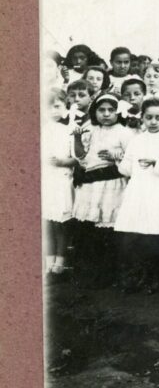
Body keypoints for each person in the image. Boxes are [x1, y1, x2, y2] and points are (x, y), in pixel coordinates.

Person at [113, 97, 159, 294]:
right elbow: (127, 169)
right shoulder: (136, 140)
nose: (153, 122)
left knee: (155, 237)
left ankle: (154, 279)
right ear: (142, 117)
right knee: (135, 236)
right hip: (139, 192)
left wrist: (156, 164)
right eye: (149, 117)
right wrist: (120, 160)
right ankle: (136, 277)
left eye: (158, 118)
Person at [71, 93, 132, 289]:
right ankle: (90, 273)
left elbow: (131, 157)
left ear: (118, 112)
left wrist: (116, 155)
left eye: (111, 110)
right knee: (89, 228)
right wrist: (78, 138)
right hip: (91, 184)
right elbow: (81, 156)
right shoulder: (90, 129)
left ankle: (108, 274)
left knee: (107, 228)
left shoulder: (124, 132)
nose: (106, 114)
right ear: (94, 112)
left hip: (112, 183)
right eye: (101, 110)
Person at [43, 88, 76, 281]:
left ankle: (60, 263)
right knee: (46, 223)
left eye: (57, 106)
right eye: (48, 107)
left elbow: (78, 158)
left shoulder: (70, 129)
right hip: (45, 179)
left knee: (60, 224)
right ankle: (48, 262)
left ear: (65, 107)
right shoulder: (40, 129)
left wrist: (63, 162)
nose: (53, 111)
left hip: (61, 179)